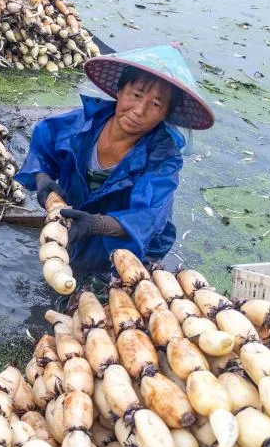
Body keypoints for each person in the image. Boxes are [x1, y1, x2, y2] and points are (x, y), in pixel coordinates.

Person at [15, 44, 214, 280]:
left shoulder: (162, 159)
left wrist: (95, 225)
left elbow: (147, 217)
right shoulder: (82, 125)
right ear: (119, 91)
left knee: (109, 290)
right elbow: (44, 143)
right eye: (136, 95)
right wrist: (43, 180)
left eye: (156, 104)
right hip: (77, 222)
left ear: (165, 115)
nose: (140, 110)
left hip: (128, 244)